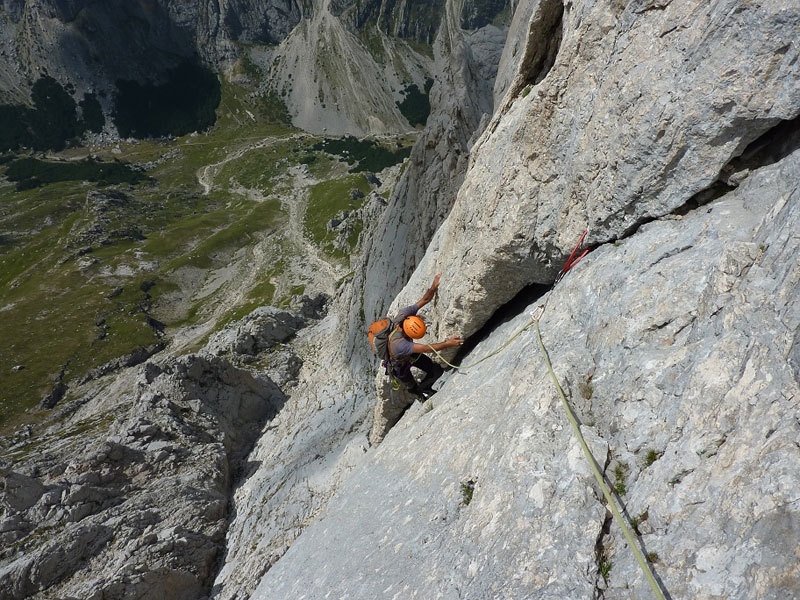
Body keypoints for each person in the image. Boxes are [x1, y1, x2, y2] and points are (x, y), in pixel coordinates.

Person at [386, 273, 464, 399]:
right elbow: (427, 348)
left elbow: (424, 300)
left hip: (409, 354)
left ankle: (425, 387)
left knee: (436, 370)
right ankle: (420, 395)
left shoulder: (404, 315)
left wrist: (433, 286)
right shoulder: (400, 344)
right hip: (398, 364)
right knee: (412, 387)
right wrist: (449, 343)